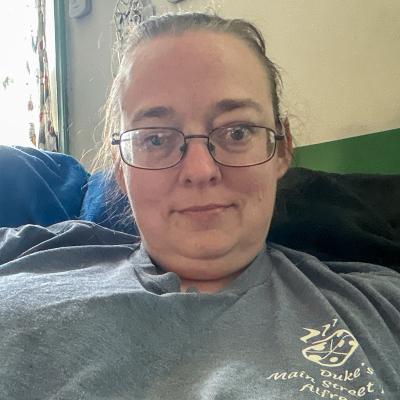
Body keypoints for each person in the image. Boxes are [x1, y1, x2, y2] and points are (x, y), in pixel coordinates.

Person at [0, 12, 399, 400]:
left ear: (282, 148)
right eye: (156, 139)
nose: (200, 170)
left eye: (237, 132)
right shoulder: (28, 255)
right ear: (121, 167)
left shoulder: (380, 309)